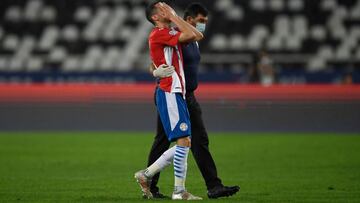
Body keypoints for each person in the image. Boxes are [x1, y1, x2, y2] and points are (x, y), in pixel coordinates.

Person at [147, 3, 240, 199]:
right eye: (201, 21)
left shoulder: (189, 39)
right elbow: (157, 58)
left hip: (186, 96)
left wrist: (155, 70)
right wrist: (155, 72)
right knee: (168, 142)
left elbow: (163, 57)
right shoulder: (182, 35)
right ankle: (152, 183)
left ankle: (212, 186)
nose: (203, 25)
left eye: (205, 22)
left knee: (195, 140)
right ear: (189, 20)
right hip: (171, 94)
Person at [134, 1, 203, 200]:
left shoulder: (167, 33)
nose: (169, 10)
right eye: (163, 9)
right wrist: (174, 16)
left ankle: (156, 180)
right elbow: (193, 34)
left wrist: (154, 69)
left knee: (185, 141)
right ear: (156, 17)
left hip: (176, 91)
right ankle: (172, 188)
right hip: (169, 91)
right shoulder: (159, 33)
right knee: (184, 141)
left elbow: (197, 34)